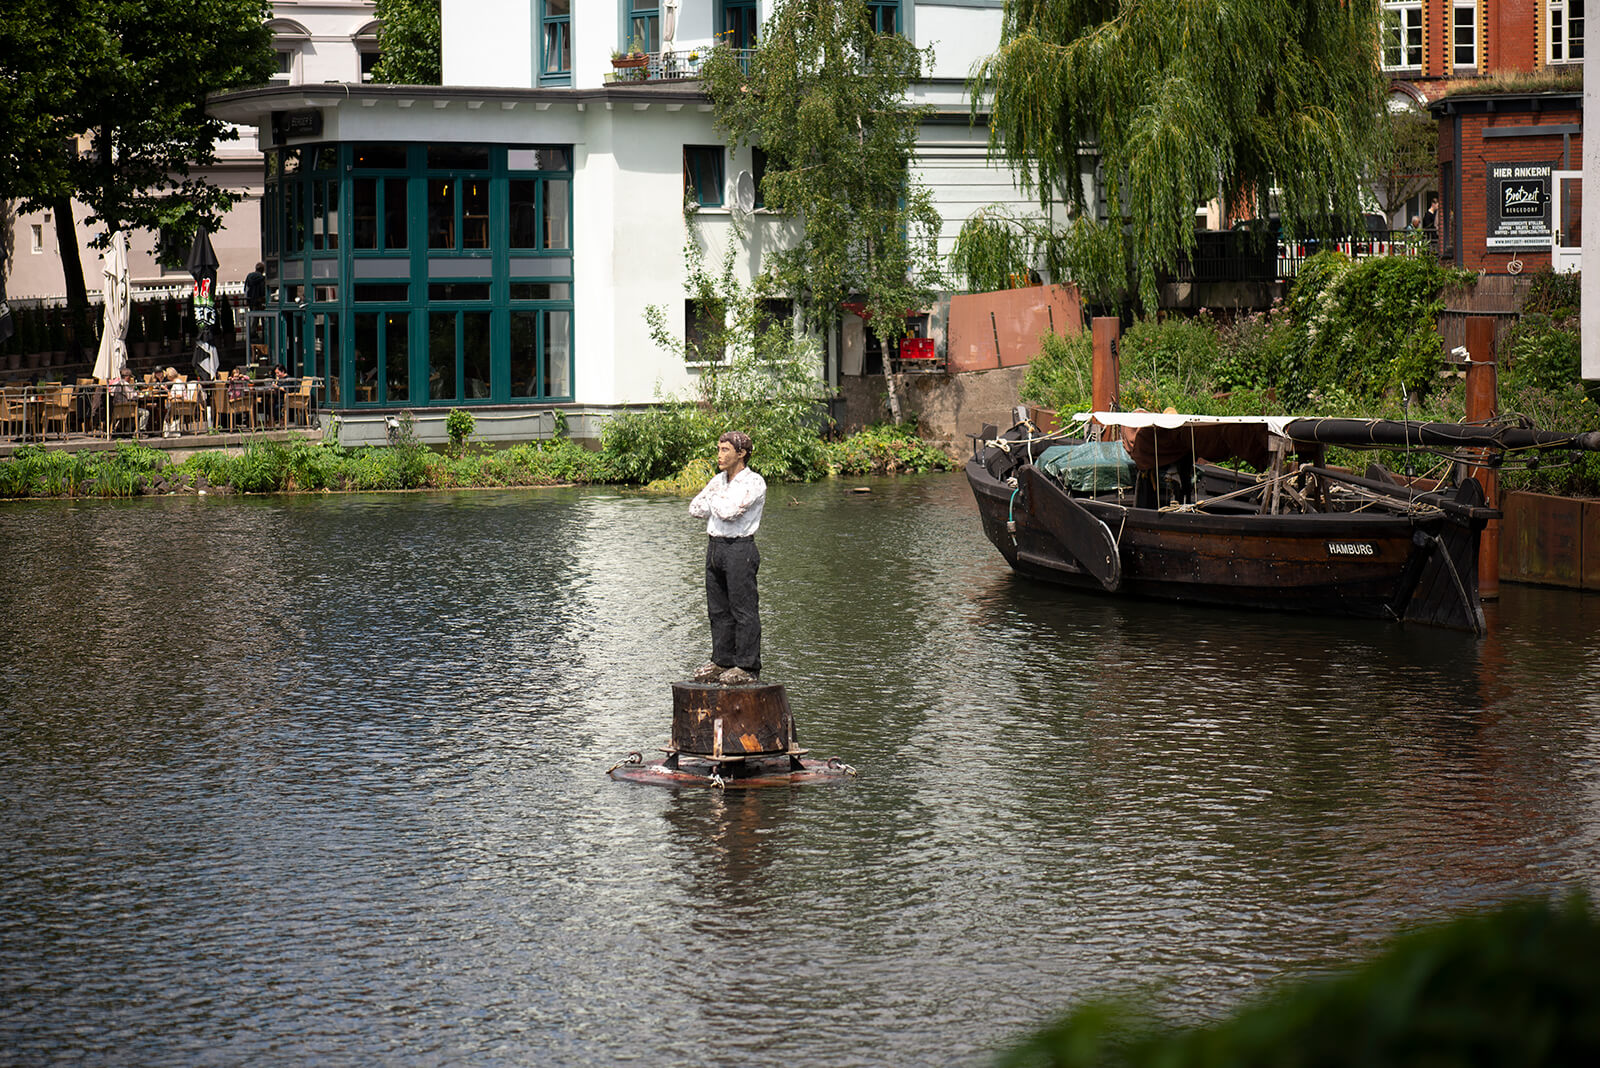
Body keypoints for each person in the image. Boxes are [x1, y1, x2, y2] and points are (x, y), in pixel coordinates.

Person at [689, 431, 767, 685]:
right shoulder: (718, 480)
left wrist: (713, 499)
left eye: (725, 450)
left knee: (743, 610)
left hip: (739, 549)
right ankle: (721, 660)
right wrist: (717, 499)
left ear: (741, 453)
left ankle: (747, 666)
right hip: (715, 548)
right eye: (719, 449)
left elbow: (730, 511)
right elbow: (695, 508)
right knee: (718, 610)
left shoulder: (753, 482)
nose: (719, 455)